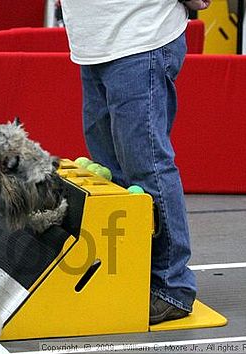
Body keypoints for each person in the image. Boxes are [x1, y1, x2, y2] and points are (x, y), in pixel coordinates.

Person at [60, 0, 211, 324]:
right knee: (110, 173)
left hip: (141, 36)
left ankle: (172, 288)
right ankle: (130, 276)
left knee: (147, 167)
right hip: (97, 43)